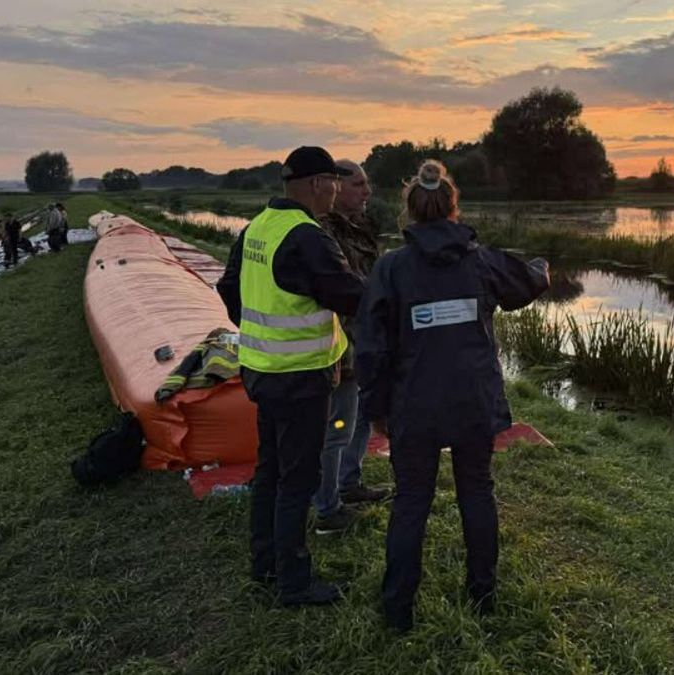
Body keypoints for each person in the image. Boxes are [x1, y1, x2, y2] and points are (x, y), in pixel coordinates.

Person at [354, 160, 549, 632]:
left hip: (413, 407)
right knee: (477, 493)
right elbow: (528, 282)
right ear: (452, 207)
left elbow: (371, 347)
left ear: (411, 210)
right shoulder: (479, 261)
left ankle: (398, 611)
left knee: (410, 502)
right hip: (472, 404)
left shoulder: (391, 268)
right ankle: (483, 595)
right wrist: (542, 268)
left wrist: (376, 409)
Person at [215, 146, 364, 607]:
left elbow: (227, 286)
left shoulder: (258, 226)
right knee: (298, 479)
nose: (338, 189)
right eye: (335, 181)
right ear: (318, 183)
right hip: (300, 377)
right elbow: (349, 295)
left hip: (261, 370)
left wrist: (257, 330)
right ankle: (294, 582)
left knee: (270, 471)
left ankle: (264, 565)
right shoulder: (307, 236)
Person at [311, 158, 387, 534]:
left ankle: (349, 483)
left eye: (367, 183)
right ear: (337, 188)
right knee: (336, 427)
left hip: (365, 343)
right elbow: (347, 288)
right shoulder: (324, 233)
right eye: (358, 184)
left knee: (359, 420)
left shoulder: (360, 228)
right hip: (340, 345)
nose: (367, 191)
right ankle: (327, 508)